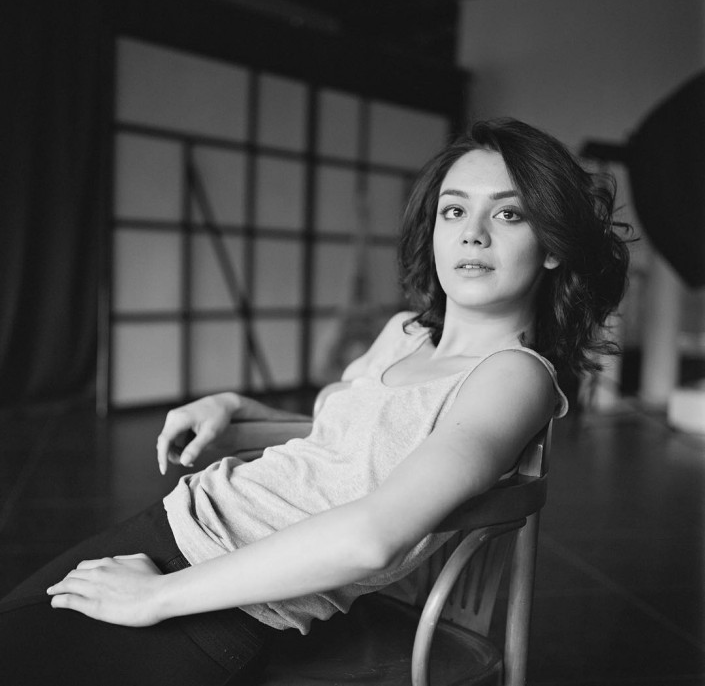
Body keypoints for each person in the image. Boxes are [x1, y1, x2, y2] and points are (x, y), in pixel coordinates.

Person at [0, 118, 630, 685]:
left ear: (553, 245)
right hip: (181, 520)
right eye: (453, 210)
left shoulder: (514, 377)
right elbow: (346, 447)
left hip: (227, 594)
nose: (472, 234)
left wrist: (157, 598)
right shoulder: (405, 333)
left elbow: (374, 538)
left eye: (509, 214)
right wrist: (242, 413)